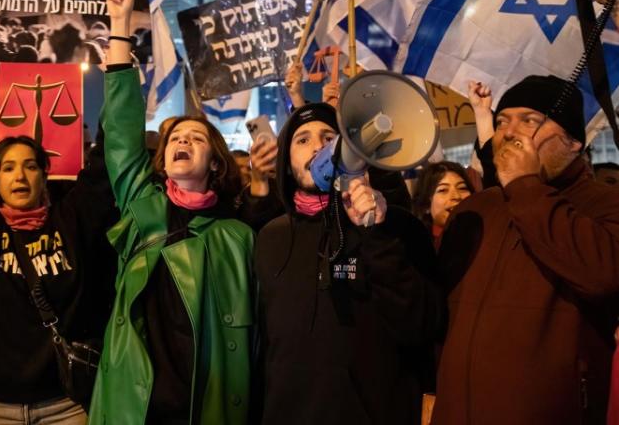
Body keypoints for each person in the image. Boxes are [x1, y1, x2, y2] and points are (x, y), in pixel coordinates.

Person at [89, 0, 255, 425]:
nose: (182, 140)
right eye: (175, 138)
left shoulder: (238, 238)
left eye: (195, 137)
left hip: (205, 410)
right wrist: (120, 25)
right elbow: (122, 133)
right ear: (162, 160)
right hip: (135, 410)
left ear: (215, 163)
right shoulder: (143, 207)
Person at [0, 44, 117, 425]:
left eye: (30, 166)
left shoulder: (73, 218)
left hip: (64, 405)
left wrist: (116, 83)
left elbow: (104, 163)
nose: (20, 175)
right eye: (9, 167)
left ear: (45, 173)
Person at [434, 74, 619, 424]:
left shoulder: (606, 205)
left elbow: (603, 276)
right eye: (502, 121)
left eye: (530, 120)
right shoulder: (474, 211)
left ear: (573, 141)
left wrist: (525, 186)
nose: (509, 131)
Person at [247, 101, 443, 425]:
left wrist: (376, 233)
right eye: (302, 139)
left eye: (328, 136)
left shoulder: (394, 225)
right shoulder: (270, 237)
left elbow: (420, 324)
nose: (317, 147)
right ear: (287, 160)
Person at [411, 161, 474, 249]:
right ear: (426, 206)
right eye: (443, 190)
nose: (456, 196)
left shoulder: (489, 235)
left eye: (462, 188)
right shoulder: (418, 249)